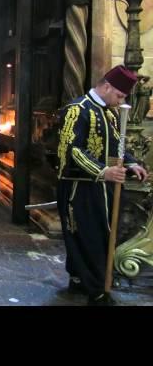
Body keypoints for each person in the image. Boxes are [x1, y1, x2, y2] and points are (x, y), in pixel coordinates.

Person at [56, 65, 148, 306]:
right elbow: (72, 150)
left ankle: (80, 279)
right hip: (80, 185)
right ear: (106, 86)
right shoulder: (77, 110)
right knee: (88, 235)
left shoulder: (110, 113)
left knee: (100, 232)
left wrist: (131, 163)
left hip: (104, 186)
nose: (120, 101)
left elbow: (118, 144)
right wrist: (103, 171)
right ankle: (96, 290)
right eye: (119, 95)